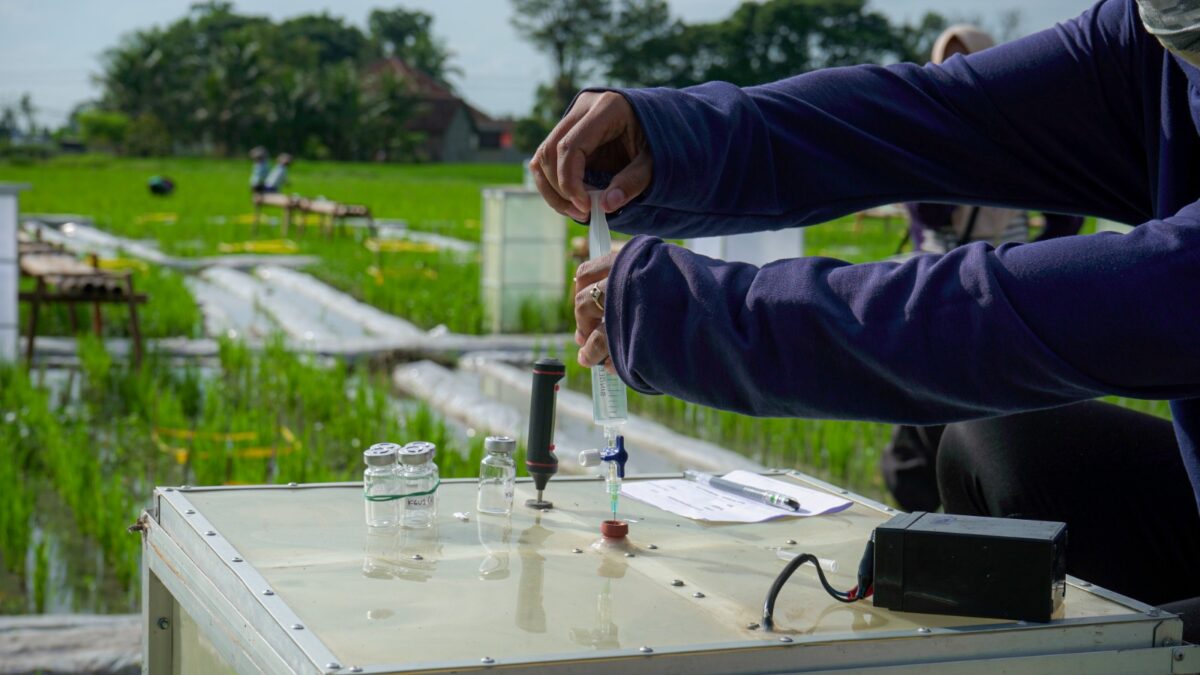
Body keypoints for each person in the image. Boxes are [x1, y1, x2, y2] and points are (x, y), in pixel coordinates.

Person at [530, 0, 1200, 640]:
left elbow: (1054, 310)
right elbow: (923, 116)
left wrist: (703, 317)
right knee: (1001, 448)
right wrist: (671, 141)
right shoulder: (1164, 46)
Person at [884, 25, 1087, 513]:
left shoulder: (1021, 137)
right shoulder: (928, 131)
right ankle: (928, 515)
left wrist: (1032, 266)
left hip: (1000, 289)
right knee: (931, 406)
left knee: (989, 410)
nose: (955, 73)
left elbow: (1068, 212)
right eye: (947, 62)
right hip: (938, 291)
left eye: (966, 62)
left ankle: (977, 511)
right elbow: (925, 215)